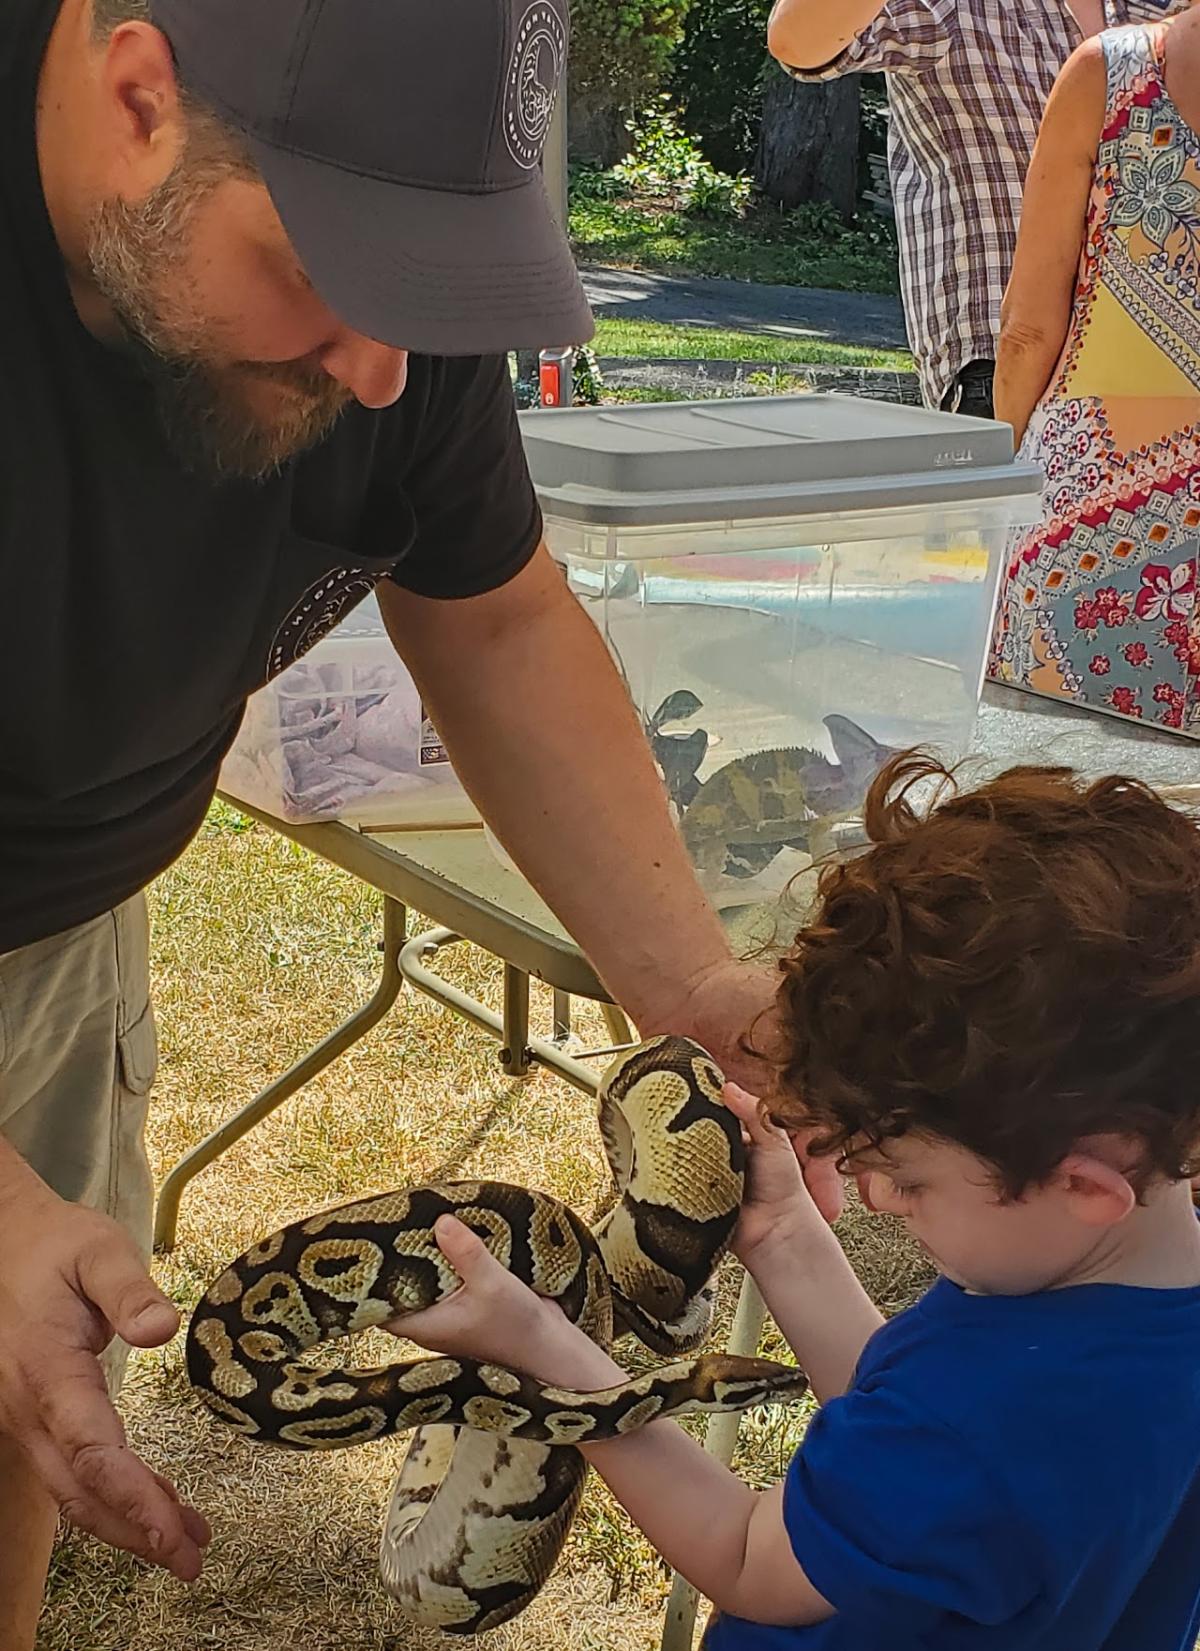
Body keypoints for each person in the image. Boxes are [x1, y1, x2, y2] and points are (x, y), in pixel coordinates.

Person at [0, 3, 840, 1646]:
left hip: (62, 922)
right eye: (326, 269)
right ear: (139, 94)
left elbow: (494, 615)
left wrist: (689, 984)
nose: (387, 368)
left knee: (19, 1394)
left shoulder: (385, 304)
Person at [401, 754, 1200, 1649]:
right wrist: (783, 1233)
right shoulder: (1118, 1312)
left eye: (909, 1178)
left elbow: (745, 1553)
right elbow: (903, 1407)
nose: (878, 1196)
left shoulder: (984, 1421)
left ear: (1084, 1186)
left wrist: (545, 1345)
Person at [765, 0, 1183, 418]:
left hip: (1162, 378)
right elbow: (799, 42)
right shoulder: (951, 7)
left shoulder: (1163, 12)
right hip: (1000, 376)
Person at [989, 15, 1200, 731]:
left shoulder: (1109, 74)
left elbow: (1027, 332)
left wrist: (1001, 492)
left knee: (1062, 787)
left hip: (1081, 530)